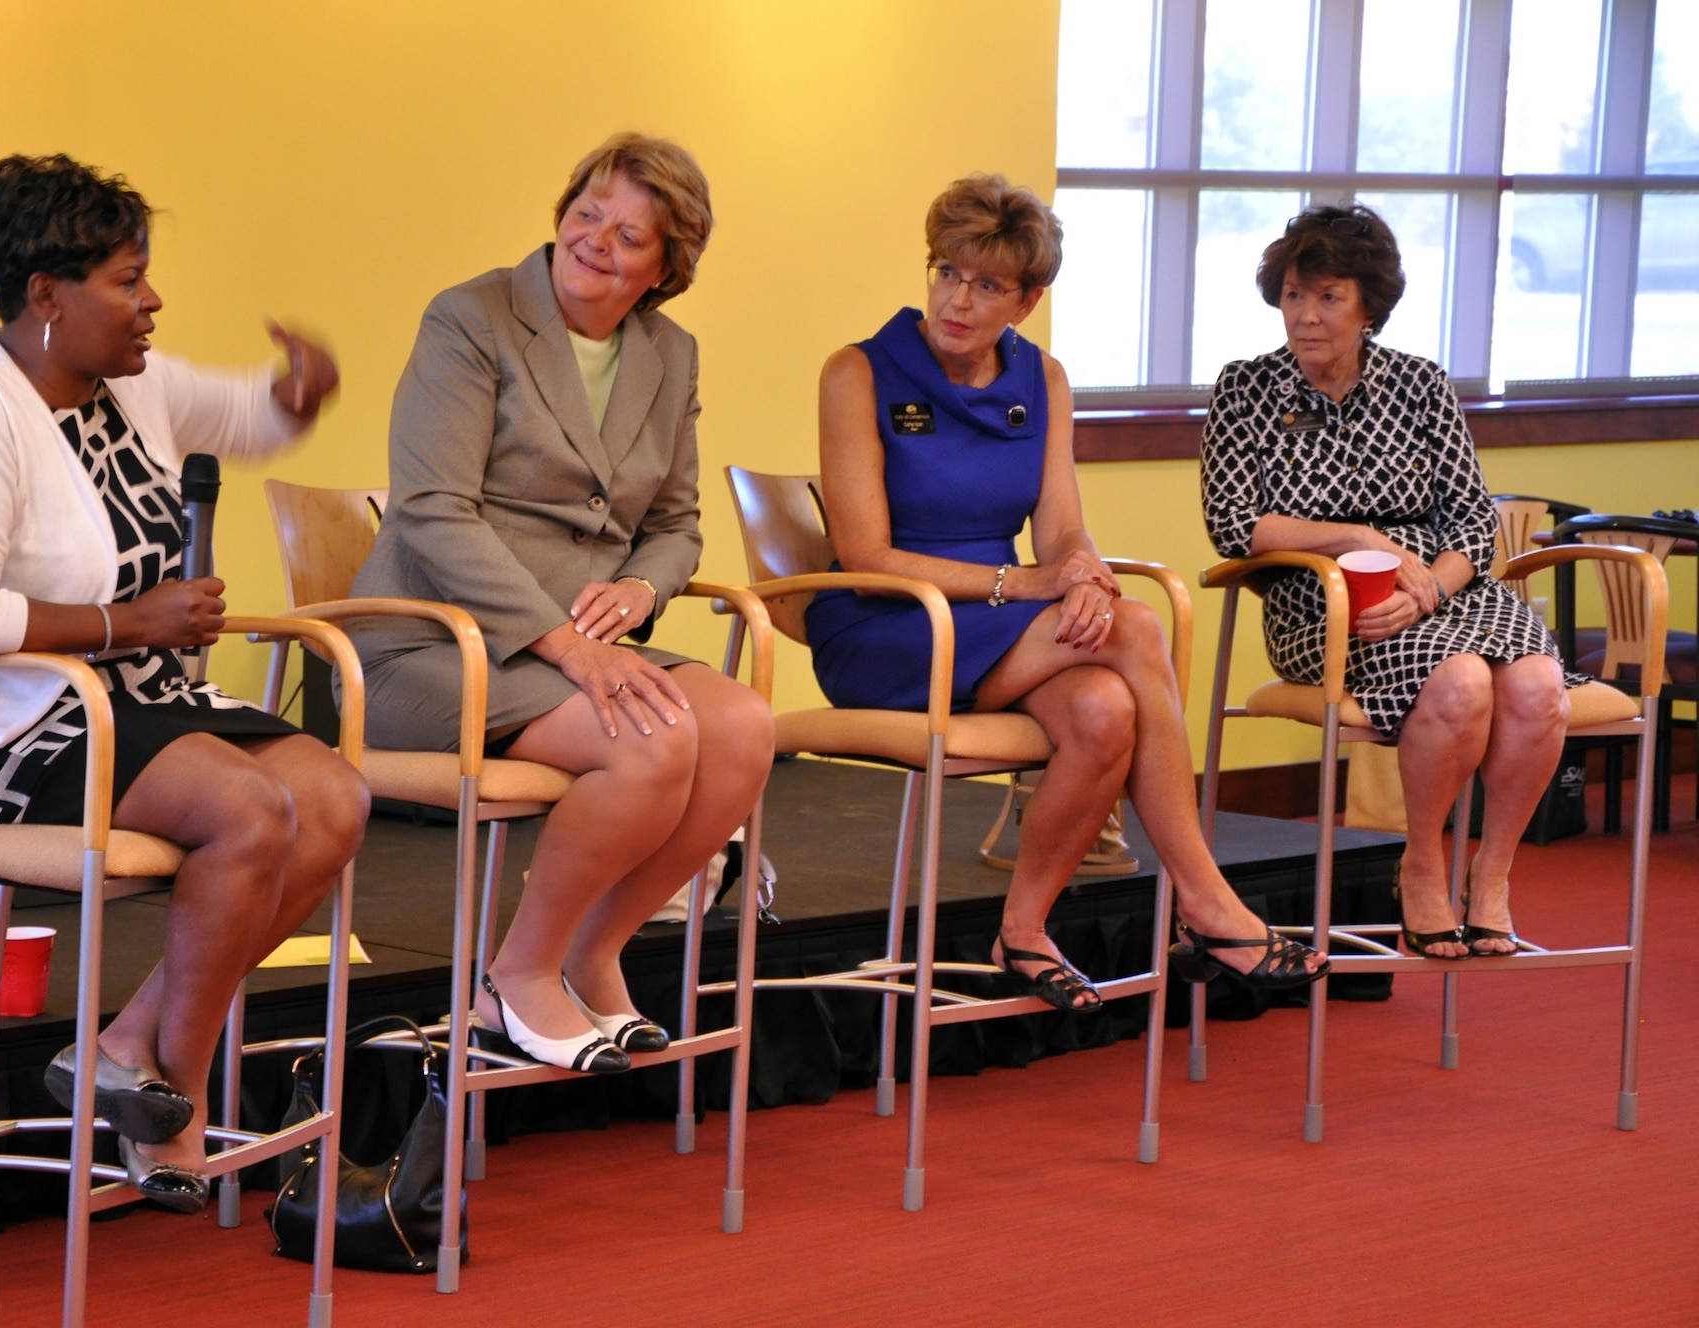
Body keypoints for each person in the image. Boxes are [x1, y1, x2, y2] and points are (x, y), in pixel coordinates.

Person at [0, 154, 368, 1211]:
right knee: (249, 807)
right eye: (127, 280)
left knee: (334, 796)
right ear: (46, 296)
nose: (152, 301)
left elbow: (247, 415)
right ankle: (173, 1095)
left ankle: (132, 1043)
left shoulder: (131, 386)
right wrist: (125, 622)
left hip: (126, 695)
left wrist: (292, 395)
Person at [808, 174, 1328, 1012]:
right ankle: (1204, 898)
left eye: (987, 286)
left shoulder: (1041, 378)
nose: (957, 300)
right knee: (1135, 630)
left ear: (1028, 298)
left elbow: (1061, 529)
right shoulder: (858, 372)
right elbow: (867, 550)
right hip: (891, 621)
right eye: (947, 272)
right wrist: (1033, 584)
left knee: (1104, 712)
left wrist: (1079, 571)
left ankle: (1024, 931)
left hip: (1003, 618)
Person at [347, 133, 772, 1072]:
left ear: (665, 269)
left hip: (576, 648)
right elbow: (430, 508)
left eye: (630, 235)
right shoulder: (472, 317)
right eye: (588, 213)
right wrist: (567, 646)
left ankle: (595, 949)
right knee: (653, 740)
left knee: (742, 727)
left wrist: (642, 584)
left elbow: (676, 524)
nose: (596, 242)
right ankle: (518, 975)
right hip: (432, 644)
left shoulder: (670, 353)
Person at [1202, 203, 1587, 959]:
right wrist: (1356, 537)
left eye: (1327, 297)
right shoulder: (1246, 390)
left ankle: (1494, 873)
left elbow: (1476, 523)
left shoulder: (1420, 385)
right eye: (1292, 296)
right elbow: (1234, 524)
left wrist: (1433, 589)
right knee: (1461, 683)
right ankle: (1421, 863)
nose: (1306, 317)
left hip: (1449, 591)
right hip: (1328, 603)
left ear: (1368, 306)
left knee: (1539, 683)